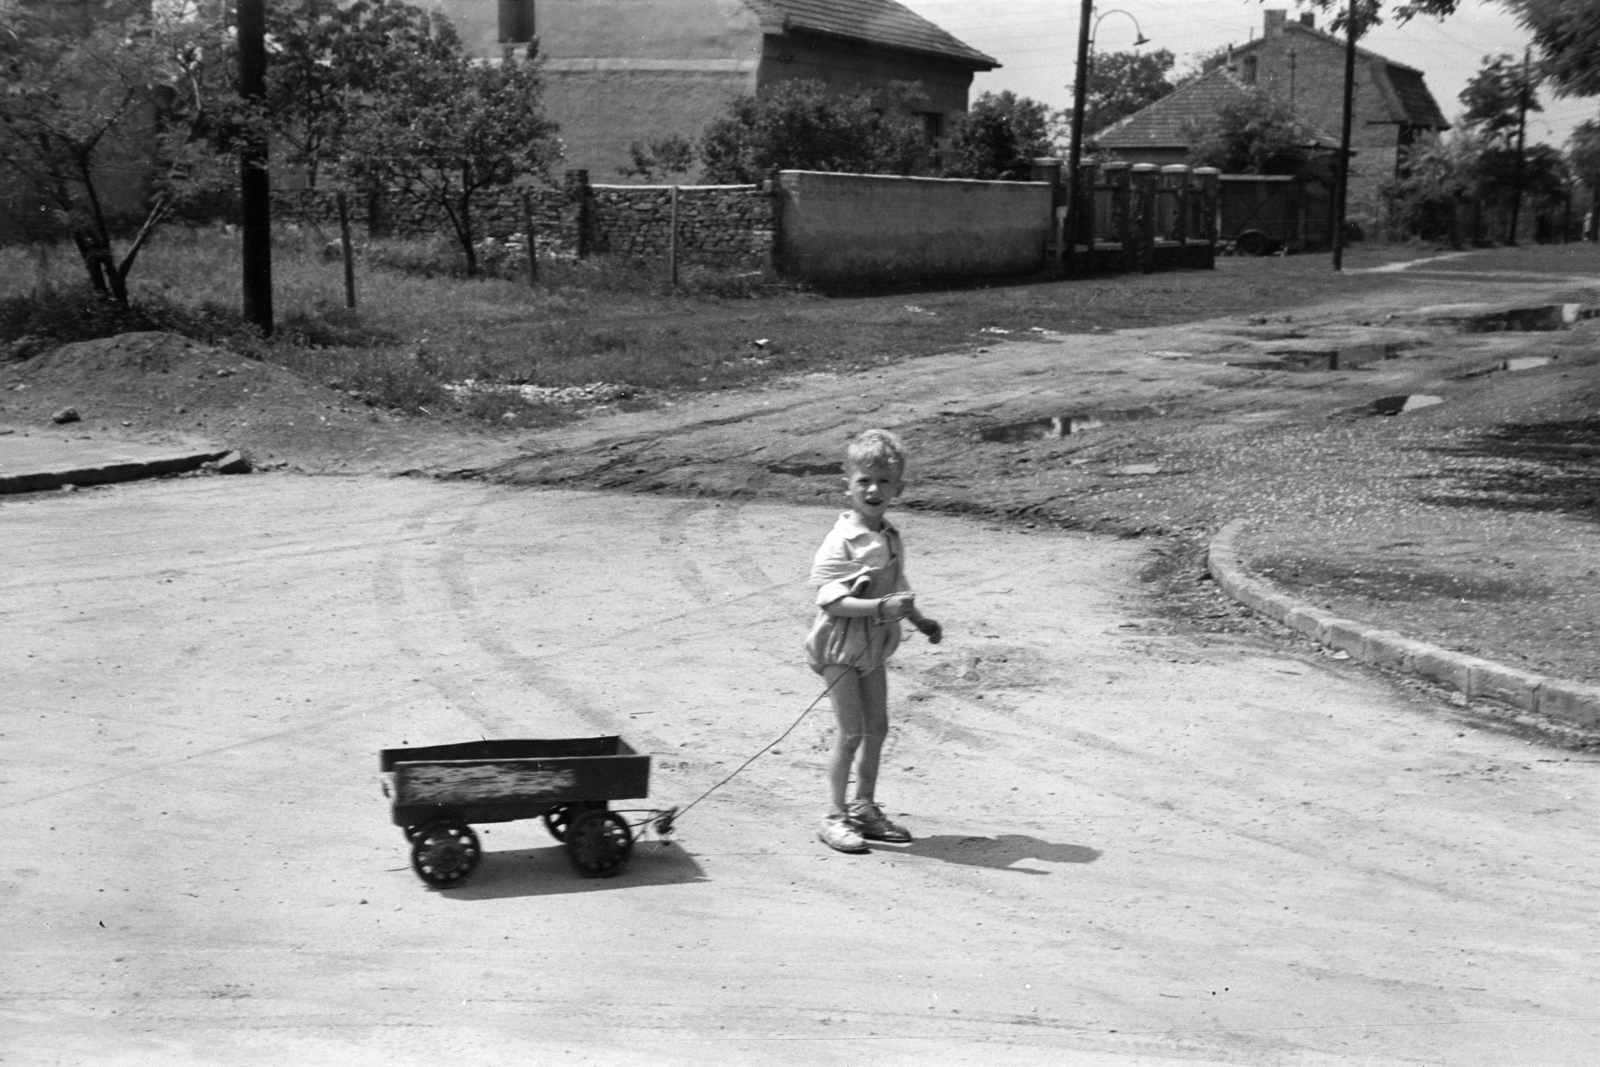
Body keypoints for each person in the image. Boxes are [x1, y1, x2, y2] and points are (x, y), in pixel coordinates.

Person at [805, 429, 941, 853]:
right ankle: (833, 814)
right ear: (846, 484)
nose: (873, 489)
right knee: (851, 732)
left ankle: (864, 806)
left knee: (877, 728)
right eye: (864, 479)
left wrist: (920, 620)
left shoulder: (891, 536)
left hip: (873, 646)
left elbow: (899, 589)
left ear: (898, 488)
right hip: (839, 647)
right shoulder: (840, 540)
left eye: (884, 481)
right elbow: (830, 600)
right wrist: (880, 609)